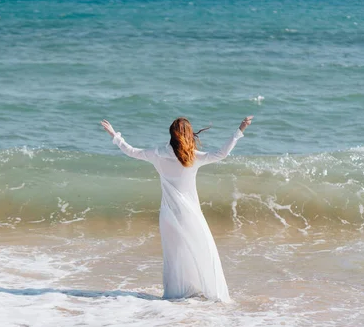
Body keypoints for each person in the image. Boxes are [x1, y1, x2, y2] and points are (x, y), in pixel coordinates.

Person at [101, 116, 253, 301]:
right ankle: (199, 293)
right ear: (189, 135)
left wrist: (114, 134)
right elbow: (221, 154)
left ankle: (175, 296)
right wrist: (240, 130)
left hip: (168, 214)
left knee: (174, 256)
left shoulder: (158, 154)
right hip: (190, 214)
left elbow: (130, 151)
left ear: (171, 135)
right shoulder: (194, 158)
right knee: (201, 250)